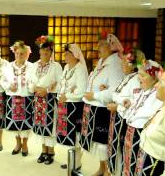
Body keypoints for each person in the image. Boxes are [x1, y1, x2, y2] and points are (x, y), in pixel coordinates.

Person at [80, 32, 124, 176]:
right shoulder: (101, 62)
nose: (98, 47)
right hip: (94, 107)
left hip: (104, 109)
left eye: (102, 45)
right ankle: (101, 168)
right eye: (98, 44)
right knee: (98, 142)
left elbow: (116, 91)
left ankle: (107, 172)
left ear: (111, 47)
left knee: (103, 143)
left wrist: (96, 94)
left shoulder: (116, 64)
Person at [106, 48, 144, 175]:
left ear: (134, 65)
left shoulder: (137, 80)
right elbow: (120, 95)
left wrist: (118, 107)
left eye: (125, 62)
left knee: (122, 152)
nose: (122, 64)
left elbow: (135, 103)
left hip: (124, 121)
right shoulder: (127, 77)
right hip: (117, 118)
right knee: (115, 149)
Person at [122, 60, 163, 176]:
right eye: (138, 74)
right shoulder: (144, 90)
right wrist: (130, 103)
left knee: (137, 167)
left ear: (153, 77)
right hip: (132, 132)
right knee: (128, 164)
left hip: (141, 134)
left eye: (142, 75)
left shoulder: (157, 94)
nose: (138, 78)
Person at [31, 35, 62, 165]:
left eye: (48, 50)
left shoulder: (56, 66)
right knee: (40, 126)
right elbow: (29, 81)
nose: (45, 52)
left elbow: (60, 83)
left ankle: (51, 152)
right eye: (43, 50)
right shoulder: (34, 65)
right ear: (39, 51)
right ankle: (43, 151)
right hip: (37, 99)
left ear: (51, 52)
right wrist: (34, 88)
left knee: (50, 125)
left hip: (49, 99)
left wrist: (47, 90)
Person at [56, 43, 88, 169]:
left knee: (76, 135)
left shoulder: (80, 69)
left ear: (75, 56)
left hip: (75, 106)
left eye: (68, 54)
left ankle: (77, 163)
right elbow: (62, 85)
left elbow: (81, 91)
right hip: (65, 105)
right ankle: (71, 160)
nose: (65, 56)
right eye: (65, 54)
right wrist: (62, 94)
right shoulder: (66, 68)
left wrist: (67, 96)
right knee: (68, 135)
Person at [0, 41, 34, 157]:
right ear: (14, 53)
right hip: (13, 99)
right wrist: (9, 86)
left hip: (26, 99)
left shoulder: (31, 67)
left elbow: (34, 81)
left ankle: (25, 144)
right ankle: (18, 143)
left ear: (26, 54)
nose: (19, 56)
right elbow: (2, 80)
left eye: (22, 54)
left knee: (25, 124)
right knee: (15, 124)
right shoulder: (8, 67)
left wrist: (31, 86)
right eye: (17, 53)